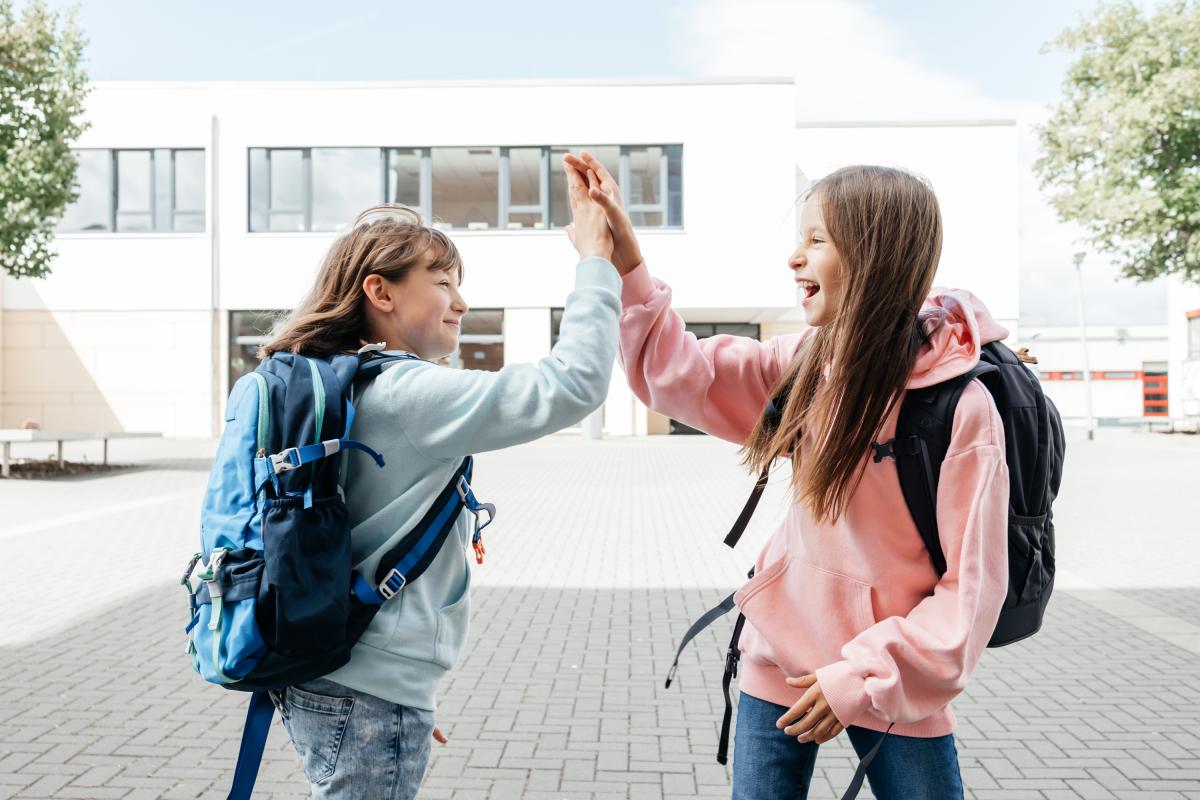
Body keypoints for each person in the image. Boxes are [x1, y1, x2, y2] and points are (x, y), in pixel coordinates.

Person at [567, 153, 1009, 800]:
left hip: (892, 680)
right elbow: (678, 375)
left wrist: (856, 679)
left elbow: (968, 595)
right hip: (777, 657)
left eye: (816, 240)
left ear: (874, 253)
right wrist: (629, 262)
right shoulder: (805, 364)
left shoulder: (958, 406)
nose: (794, 258)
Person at [255, 160, 621, 799]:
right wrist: (596, 260)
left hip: (327, 675)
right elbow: (573, 385)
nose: (462, 300)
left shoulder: (329, 383)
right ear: (382, 291)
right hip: (368, 689)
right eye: (443, 281)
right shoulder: (404, 393)